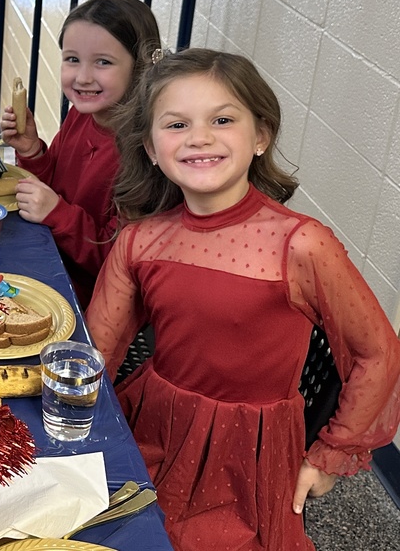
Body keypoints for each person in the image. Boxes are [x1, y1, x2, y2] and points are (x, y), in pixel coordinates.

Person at [85, 47, 400, 550]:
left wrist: (329, 456)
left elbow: (378, 352)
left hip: (247, 458)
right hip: (153, 428)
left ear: (260, 135)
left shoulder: (301, 245)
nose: (200, 138)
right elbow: (97, 352)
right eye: (176, 125)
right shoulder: (139, 240)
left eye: (222, 119)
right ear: (149, 147)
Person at [0, 0, 161, 306]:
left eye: (103, 62)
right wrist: (32, 151)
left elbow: (116, 261)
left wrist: (58, 213)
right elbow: (54, 188)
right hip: (50, 256)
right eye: (72, 59)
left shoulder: (147, 152)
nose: (83, 77)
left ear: (140, 67)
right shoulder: (81, 114)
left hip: (88, 299)